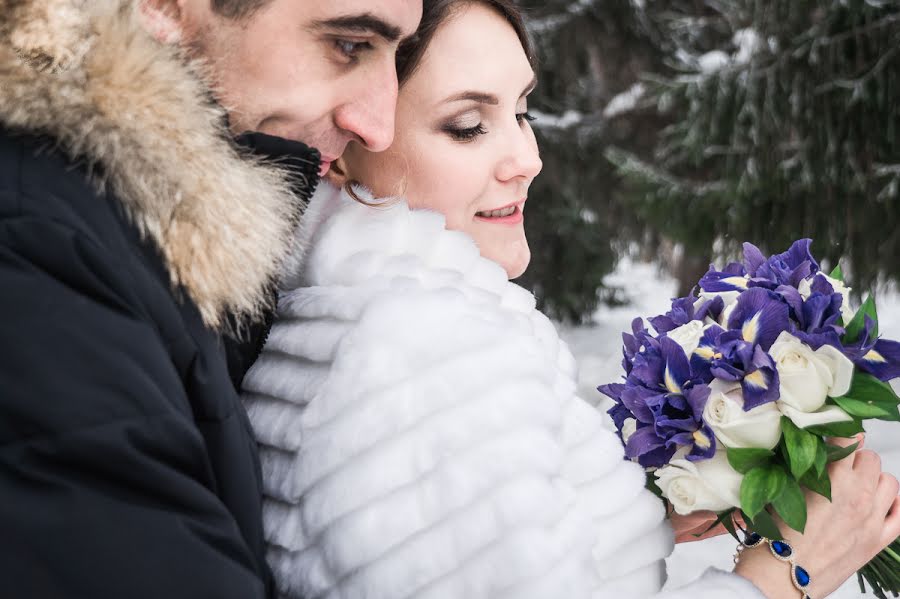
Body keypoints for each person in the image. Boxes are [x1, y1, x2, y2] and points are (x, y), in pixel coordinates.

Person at [242, 1, 900, 598]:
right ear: (347, 145)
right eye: (468, 125)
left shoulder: (345, 315)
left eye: (521, 111)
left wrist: (634, 511)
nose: (525, 157)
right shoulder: (425, 349)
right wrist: (791, 571)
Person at [0, 0, 421, 597]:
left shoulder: (149, 241)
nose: (378, 126)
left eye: (398, 55)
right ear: (161, 7)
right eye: (349, 45)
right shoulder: (31, 248)